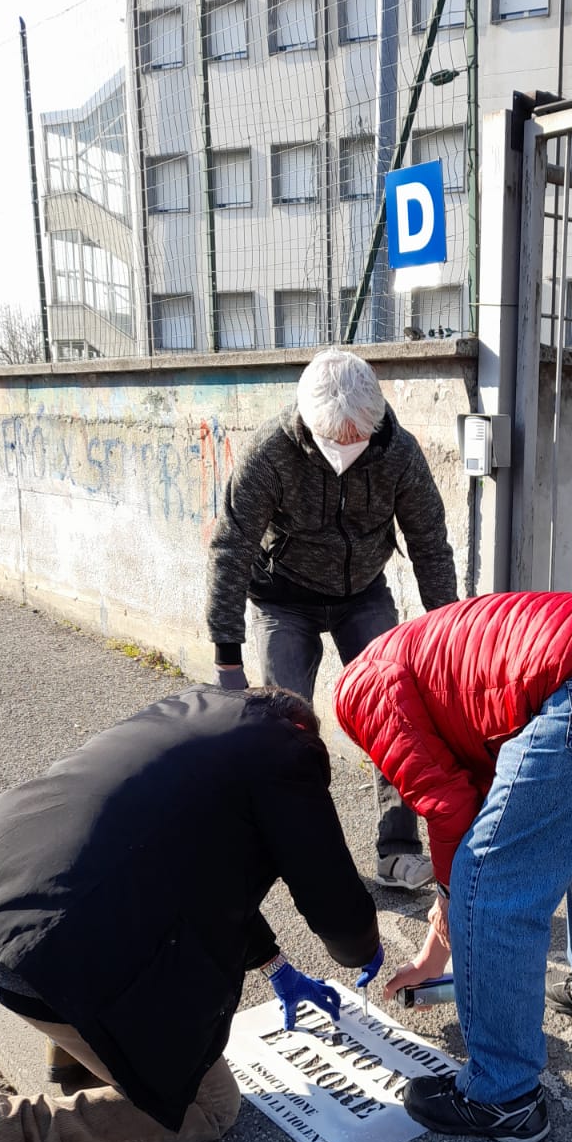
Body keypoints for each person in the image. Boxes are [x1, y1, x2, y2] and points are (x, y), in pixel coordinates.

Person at [0, 685, 380, 1142]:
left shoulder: (187, 717)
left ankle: (75, 1060)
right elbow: (334, 904)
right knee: (212, 1107)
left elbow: (191, 866)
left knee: (112, 914)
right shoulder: (289, 753)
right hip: (51, 956)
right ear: (304, 732)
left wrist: (276, 968)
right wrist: (364, 950)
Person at [334, 591, 572, 1142]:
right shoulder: (419, 654)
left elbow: (450, 810)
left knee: (491, 883)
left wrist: (449, 914)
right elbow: (487, 787)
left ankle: (501, 1095)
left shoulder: (361, 690)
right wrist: (441, 935)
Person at [206, 347, 458, 892]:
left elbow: (430, 546)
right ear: (307, 424)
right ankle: (304, 854)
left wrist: (449, 637)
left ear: (376, 423)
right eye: (332, 442)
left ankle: (397, 849)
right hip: (282, 598)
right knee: (286, 729)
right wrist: (226, 652)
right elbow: (232, 547)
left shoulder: (399, 453)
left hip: (362, 592)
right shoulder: (270, 453)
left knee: (396, 714)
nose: (344, 452)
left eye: (355, 441)